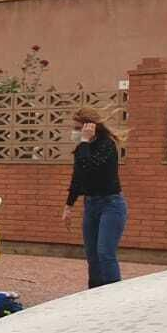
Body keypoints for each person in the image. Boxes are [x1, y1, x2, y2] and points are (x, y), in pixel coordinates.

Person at [63, 105, 126, 287]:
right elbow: (78, 177)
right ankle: (95, 294)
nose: (75, 132)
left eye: (77, 128)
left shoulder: (106, 145)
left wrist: (84, 141)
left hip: (110, 204)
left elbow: (91, 166)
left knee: (105, 253)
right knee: (92, 255)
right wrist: (69, 206)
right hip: (91, 204)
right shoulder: (82, 148)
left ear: (89, 127)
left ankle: (114, 293)